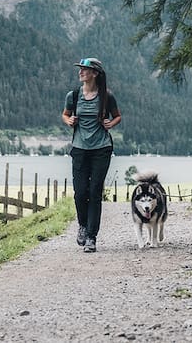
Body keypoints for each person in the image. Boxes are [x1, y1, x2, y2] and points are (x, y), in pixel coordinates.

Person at [62, 57, 122, 253]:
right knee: (80, 192)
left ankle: (91, 237)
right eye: (80, 69)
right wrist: (69, 120)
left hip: (101, 148)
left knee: (95, 192)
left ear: (95, 73)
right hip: (79, 149)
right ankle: (82, 225)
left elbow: (117, 116)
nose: (80, 72)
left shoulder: (106, 96)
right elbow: (65, 114)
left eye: (84, 69)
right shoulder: (74, 95)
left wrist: (110, 124)